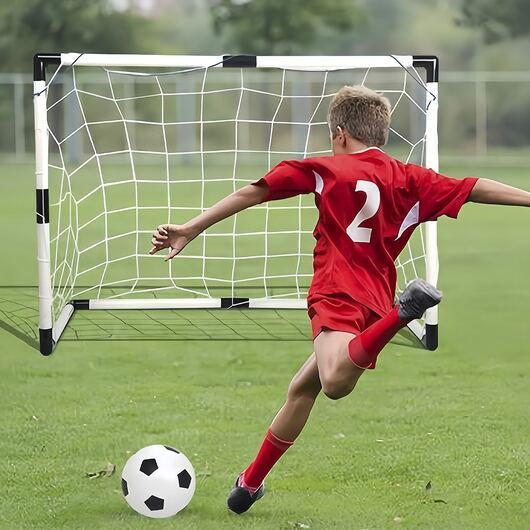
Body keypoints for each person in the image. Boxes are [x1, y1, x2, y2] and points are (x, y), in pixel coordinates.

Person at [149, 85, 530, 515]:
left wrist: (192, 227)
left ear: (340, 133)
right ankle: (249, 483)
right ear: (381, 134)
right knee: (302, 388)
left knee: (333, 381)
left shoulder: (327, 169)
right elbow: (474, 186)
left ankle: (406, 314)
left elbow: (253, 191)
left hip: (337, 289)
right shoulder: (411, 178)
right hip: (374, 299)